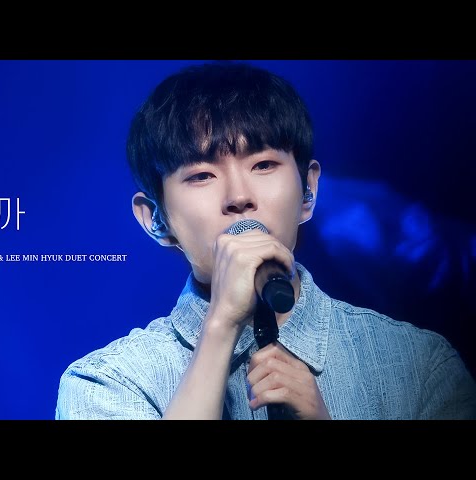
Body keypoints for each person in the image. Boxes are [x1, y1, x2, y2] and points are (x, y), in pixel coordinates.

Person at [55, 61, 476, 420]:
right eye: (202, 175)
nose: (239, 196)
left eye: (264, 165)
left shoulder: (420, 365)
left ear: (308, 191)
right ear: (156, 220)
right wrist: (220, 326)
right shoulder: (107, 382)